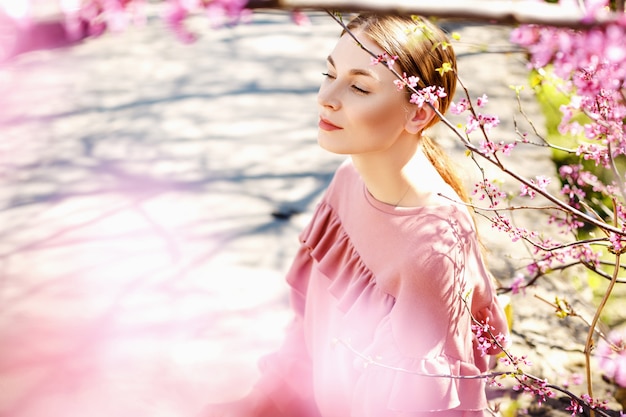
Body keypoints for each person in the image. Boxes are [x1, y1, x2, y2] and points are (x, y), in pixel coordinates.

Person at [205, 13, 510, 417]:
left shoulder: (434, 248)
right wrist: (261, 402)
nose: (326, 97)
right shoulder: (349, 180)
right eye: (328, 73)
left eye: (359, 87)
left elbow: (434, 408)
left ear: (419, 113)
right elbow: (306, 332)